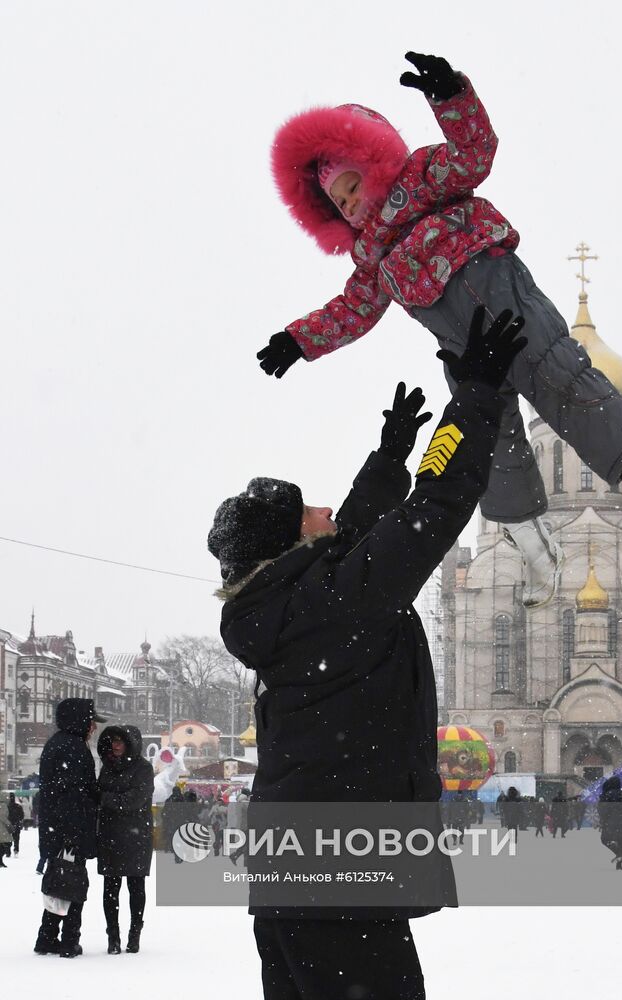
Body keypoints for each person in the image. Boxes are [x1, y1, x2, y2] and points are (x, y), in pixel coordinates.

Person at [260, 51, 622, 609]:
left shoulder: (422, 179)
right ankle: (534, 549)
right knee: (484, 436)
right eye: (339, 204)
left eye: (351, 186)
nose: (350, 206)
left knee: (559, 377)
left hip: (503, 300)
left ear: (372, 165)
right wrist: (299, 339)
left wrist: (450, 97)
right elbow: (352, 310)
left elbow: (474, 154)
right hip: (464, 347)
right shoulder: (372, 258)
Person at [209, 307, 526, 1000]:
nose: (325, 511)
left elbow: (351, 532)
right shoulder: (334, 598)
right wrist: (473, 399)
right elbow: (436, 506)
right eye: (307, 511)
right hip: (339, 874)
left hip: (295, 873)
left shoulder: (284, 604)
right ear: (289, 544)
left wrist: (388, 458)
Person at [34, 698, 103, 958]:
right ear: (80, 721)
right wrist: (76, 834)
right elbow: (74, 796)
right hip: (69, 833)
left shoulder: (58, 744)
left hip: (57, 831)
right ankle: (68, 940)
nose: (94, 727)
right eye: (91, 721)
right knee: (73, 885)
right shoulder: (73, 748)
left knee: (58, 883)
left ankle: (47, 937)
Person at [97, 724, 154, 954]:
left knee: (135, 886)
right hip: (111, 835)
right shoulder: (107, 766)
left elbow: (134, 800)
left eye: (120, 741)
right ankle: (113, 936)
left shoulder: (143, 768)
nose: (116, 745)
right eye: (113, 740)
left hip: (136, 836)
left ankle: (134, 933)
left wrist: (105, 797)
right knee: (110, 888)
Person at [598, 777, 622, 869]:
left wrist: (603, 819)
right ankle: (619, 864)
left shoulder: (607, 795)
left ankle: (618, 853)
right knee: (621, 841)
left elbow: (602, 809)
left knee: (605, 839)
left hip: (609, 821)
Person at [0, 792, 13, 866]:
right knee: (7, 844)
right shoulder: (3, 805)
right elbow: (2, 816)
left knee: (2, 844)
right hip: (2, 828)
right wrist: (9, 824)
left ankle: (0, 861)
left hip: (2, 828)